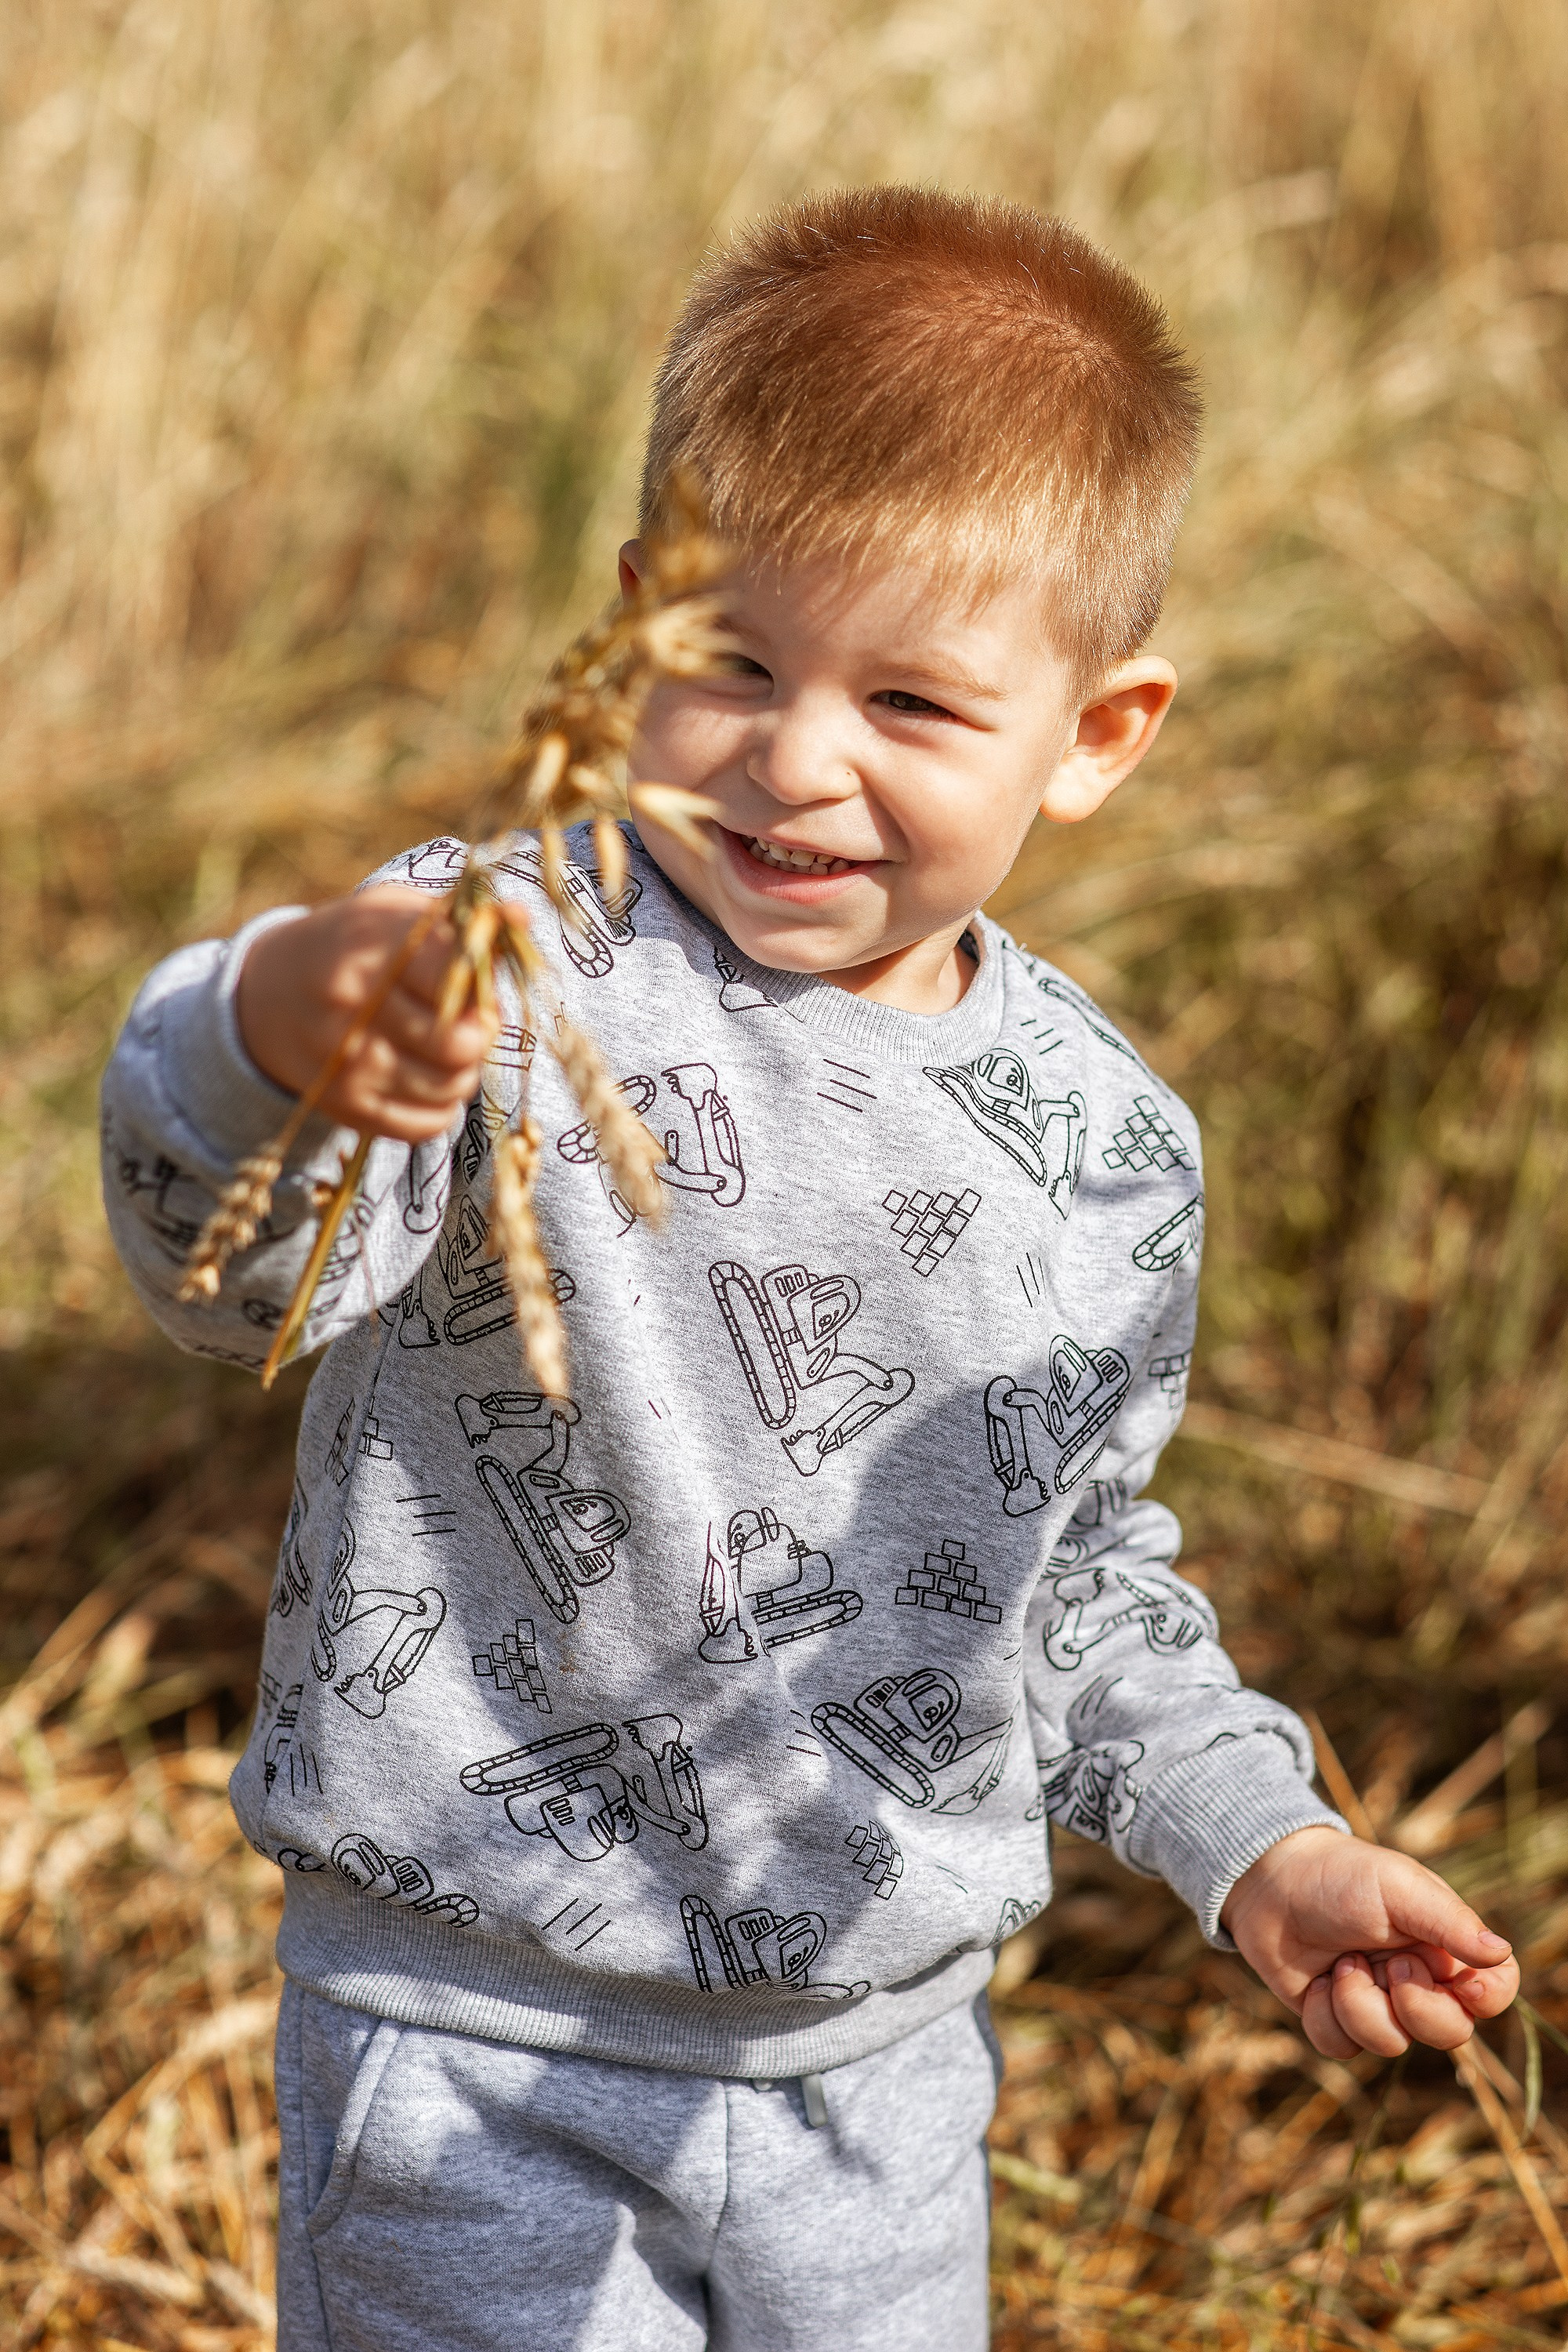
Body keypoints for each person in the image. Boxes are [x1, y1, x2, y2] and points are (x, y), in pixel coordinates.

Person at [101, 187, 1516, 2352]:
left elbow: (1066, 1590)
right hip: (476, 2045)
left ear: (1100, 732)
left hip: (880, 2085)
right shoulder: (497, 961)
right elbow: (225, 1276)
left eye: (915, 703)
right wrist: (269, 1022)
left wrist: (1264, 1844)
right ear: (632, 616)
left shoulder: (1107, 1151)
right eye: (732, 662)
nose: (796, 757)